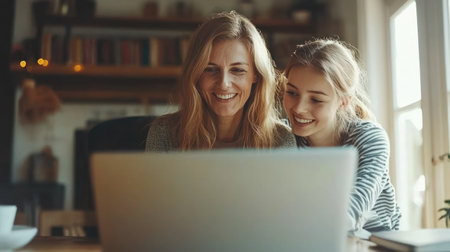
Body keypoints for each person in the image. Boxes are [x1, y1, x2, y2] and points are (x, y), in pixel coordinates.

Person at [282, 38, 401, 232]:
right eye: (292, 93)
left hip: (377, 242)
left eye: (316, 99)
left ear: (344, 102)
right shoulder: (285, 137)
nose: (299, 108)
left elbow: (353, 210)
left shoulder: (370, 138)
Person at [145, 11, 296, 151]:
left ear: (256, 74)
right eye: (210, 69)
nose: (224, 83)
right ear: (196, 74)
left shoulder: (281, 140)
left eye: (237, 70)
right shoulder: (164, 134)